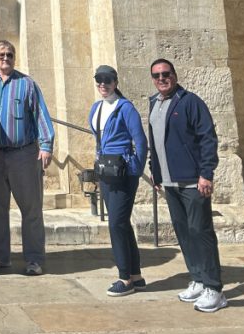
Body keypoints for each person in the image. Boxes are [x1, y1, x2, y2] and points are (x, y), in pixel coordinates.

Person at [148, 58, 227, 313]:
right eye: (157, 75)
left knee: (200, 232)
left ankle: (214, 288)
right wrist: (156, 174)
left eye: (166, 74)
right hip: (169, 183)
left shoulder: (190, 102)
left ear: (175, 74)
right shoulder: (154, 104)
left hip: (193, 181)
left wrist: (206, 173)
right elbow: (155, 142)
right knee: (183, 232)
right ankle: (198, 278)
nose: (162, 79)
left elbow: (207, 138)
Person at [0, 39, 54, 275]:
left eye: (10, 55)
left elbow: (40, 113)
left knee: (31, 209)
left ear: (15, 57)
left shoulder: (27, 83)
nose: (6, 59)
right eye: (2, 55)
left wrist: (46, 145)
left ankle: (34, 259)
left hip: (23, 155)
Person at [88, 64, 147, 296]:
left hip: (123, 173)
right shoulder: (96, 108)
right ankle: (136, 275)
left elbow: (140, 142)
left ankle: (124, 278)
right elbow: (97, 140)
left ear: (115, 82)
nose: (103, 84)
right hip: (106, 172)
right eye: (99, 80)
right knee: (120, 223)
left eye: (107, 80)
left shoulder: (125, 108)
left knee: (116, 224)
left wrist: (135, 169)